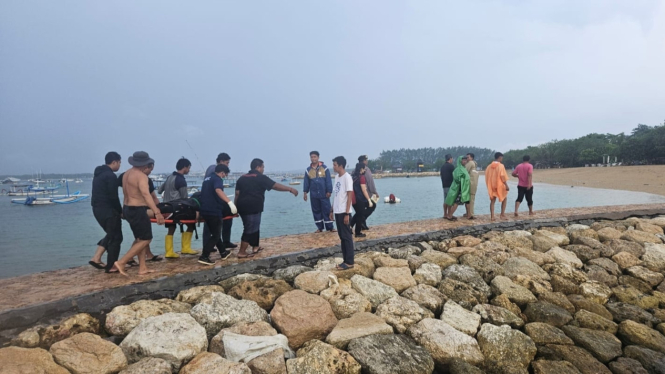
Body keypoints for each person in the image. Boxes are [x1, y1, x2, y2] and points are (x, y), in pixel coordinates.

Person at [113, 151, 165, 276]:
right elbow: (146, 195)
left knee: (139, 238)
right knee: (146, 239)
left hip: (127, 208)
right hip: (137, 209)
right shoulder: (141, 176)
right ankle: (122, 262)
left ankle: (142, 267)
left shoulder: (126, 174)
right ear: (145, 164)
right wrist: (157, 212)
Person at [235, 158, 298, 258]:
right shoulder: (260, 177)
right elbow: (275, 186)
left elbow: (237, 194)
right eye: (263, 167)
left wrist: (235, 208)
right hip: (253, 206)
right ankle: (242, 252)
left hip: (242, 206)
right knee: (250, 228)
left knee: (255, 225)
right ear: (258, 167)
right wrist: (290, 189)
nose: (263, 169)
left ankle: (255, 246)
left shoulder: (241, 178)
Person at [158, 157, 198, 258]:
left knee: (171, 228)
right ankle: (186, 248)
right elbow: (185, 198)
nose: (189, 170)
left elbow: (159, 190)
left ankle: (169, 251)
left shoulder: (169, 177)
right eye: (189, 168)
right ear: (184, 167)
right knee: (191, 225)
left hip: (165, 207)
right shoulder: (181, 180)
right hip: (177, 208)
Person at [90, 152, 123, 273]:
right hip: (108, 210)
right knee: (116, 237)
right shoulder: (110, 176)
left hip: (97, 209)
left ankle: (96, 258)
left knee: (111, 234)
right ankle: (112, 266)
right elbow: (113, 197)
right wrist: (120, 212)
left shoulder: (98, 174)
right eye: (119, 162)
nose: (119, 165)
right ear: (114, 162)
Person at [198, 164, 236, 265]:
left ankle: (223, 252)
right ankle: (204, 256)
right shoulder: (217, 179)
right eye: (225, 175)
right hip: (213, 210)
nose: (225, 177)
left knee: (215, 232)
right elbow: (218, 190)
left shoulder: (207, 179)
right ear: (222, 172)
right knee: (216, 235)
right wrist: (229, 202)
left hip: (204, 209)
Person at [204, 153, 236, 250]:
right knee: (211, 224)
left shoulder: (213, 170)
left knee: (227, 219)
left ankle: (225, 241)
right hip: (212, 203)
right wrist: (230, 202)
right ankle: (208, 245)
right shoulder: (214, 170)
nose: (228, 165)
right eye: (227, 163)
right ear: (221, 161)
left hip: (216, 201)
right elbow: (217, 189)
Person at [330, 156, 354, 270]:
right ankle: (345, 260)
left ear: (340, 165)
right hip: (337, 211)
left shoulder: (347, 177)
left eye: (335, 165)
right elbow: (336, 195)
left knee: (347, 236)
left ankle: (350, 262)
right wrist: (332, 209)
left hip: (344, 212)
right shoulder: (337, 177)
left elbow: (349, 195)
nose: (333, 167)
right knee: (342, 237)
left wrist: (347, 213)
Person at [303, 151, 334, 233]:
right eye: (312, 157)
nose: (313, 158)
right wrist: (305, 192)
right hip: (314, 195)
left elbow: (328, 180)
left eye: (315, 157)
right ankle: (319, 228)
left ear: (318, 157)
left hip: (324, 194)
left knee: (327, 210)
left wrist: (329, 191)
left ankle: (330, 227)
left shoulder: (324, 168)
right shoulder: (308, 170)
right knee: (316, 211)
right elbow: (306, 182)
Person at [350, 163, 373, 238]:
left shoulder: (353, 177)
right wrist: (369, 200)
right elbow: (364, 190)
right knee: (360, 215)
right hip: (360, 199)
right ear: (361, 169)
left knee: (358, 213)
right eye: (364, 169)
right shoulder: (362, 177)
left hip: (353, 199)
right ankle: (358, 232)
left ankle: (350, 226)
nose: (365, 170)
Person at [444, 156, 471, 221]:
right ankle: (450, 215)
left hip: (465, 188)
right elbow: (457, 178)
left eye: (465, 160)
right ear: (460, 161)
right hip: (460, 188)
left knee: (467, 201)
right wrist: (463, 180)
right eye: (463, 160)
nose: (465, 161)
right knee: (457, 202)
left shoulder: (463, 168)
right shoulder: (458, 169)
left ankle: (469, 215)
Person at [486, 152, 510, 221]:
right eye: (501, 158)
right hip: (499, 184)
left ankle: (492, 216)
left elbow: (487, 175)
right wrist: (506, 185)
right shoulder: (501, 166)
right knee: (504, 198)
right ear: (499, 157)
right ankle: (502, 214)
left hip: (491, 185)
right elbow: (502, 176)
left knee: (492, 201)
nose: (502, 159)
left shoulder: (489, 166)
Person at [358, 155, 379, 230]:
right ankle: (362, 220)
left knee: (362, 209)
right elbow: (370, 182)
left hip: (358, 194)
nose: (367, 161)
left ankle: (362, 223)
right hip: (366, 193)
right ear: (363, 161)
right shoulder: (366, 170)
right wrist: (374, 192)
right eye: (366, 160)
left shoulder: (355, 170)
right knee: (372, 206)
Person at [439, 154, 455, 219]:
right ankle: (449, 214)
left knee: (445, 200)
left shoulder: (442, 167)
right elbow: (454, 176)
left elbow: (441, 175)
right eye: (452, 159)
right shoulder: (451, 166)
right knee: (450, 200)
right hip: (450, 185)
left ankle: (445, 214)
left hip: (444, 185)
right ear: (450, 159)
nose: (452, 160)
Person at [464, 153, 479, 219]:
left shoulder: (470, 163)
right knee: (470, 199)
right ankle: (469, 213)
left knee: (470, 199)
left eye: (468, 157)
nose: (467, 159)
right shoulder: (474, 163)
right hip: (473, 183)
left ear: (471, 158)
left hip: (471, 184)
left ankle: (470, 213)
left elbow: (464, 171)